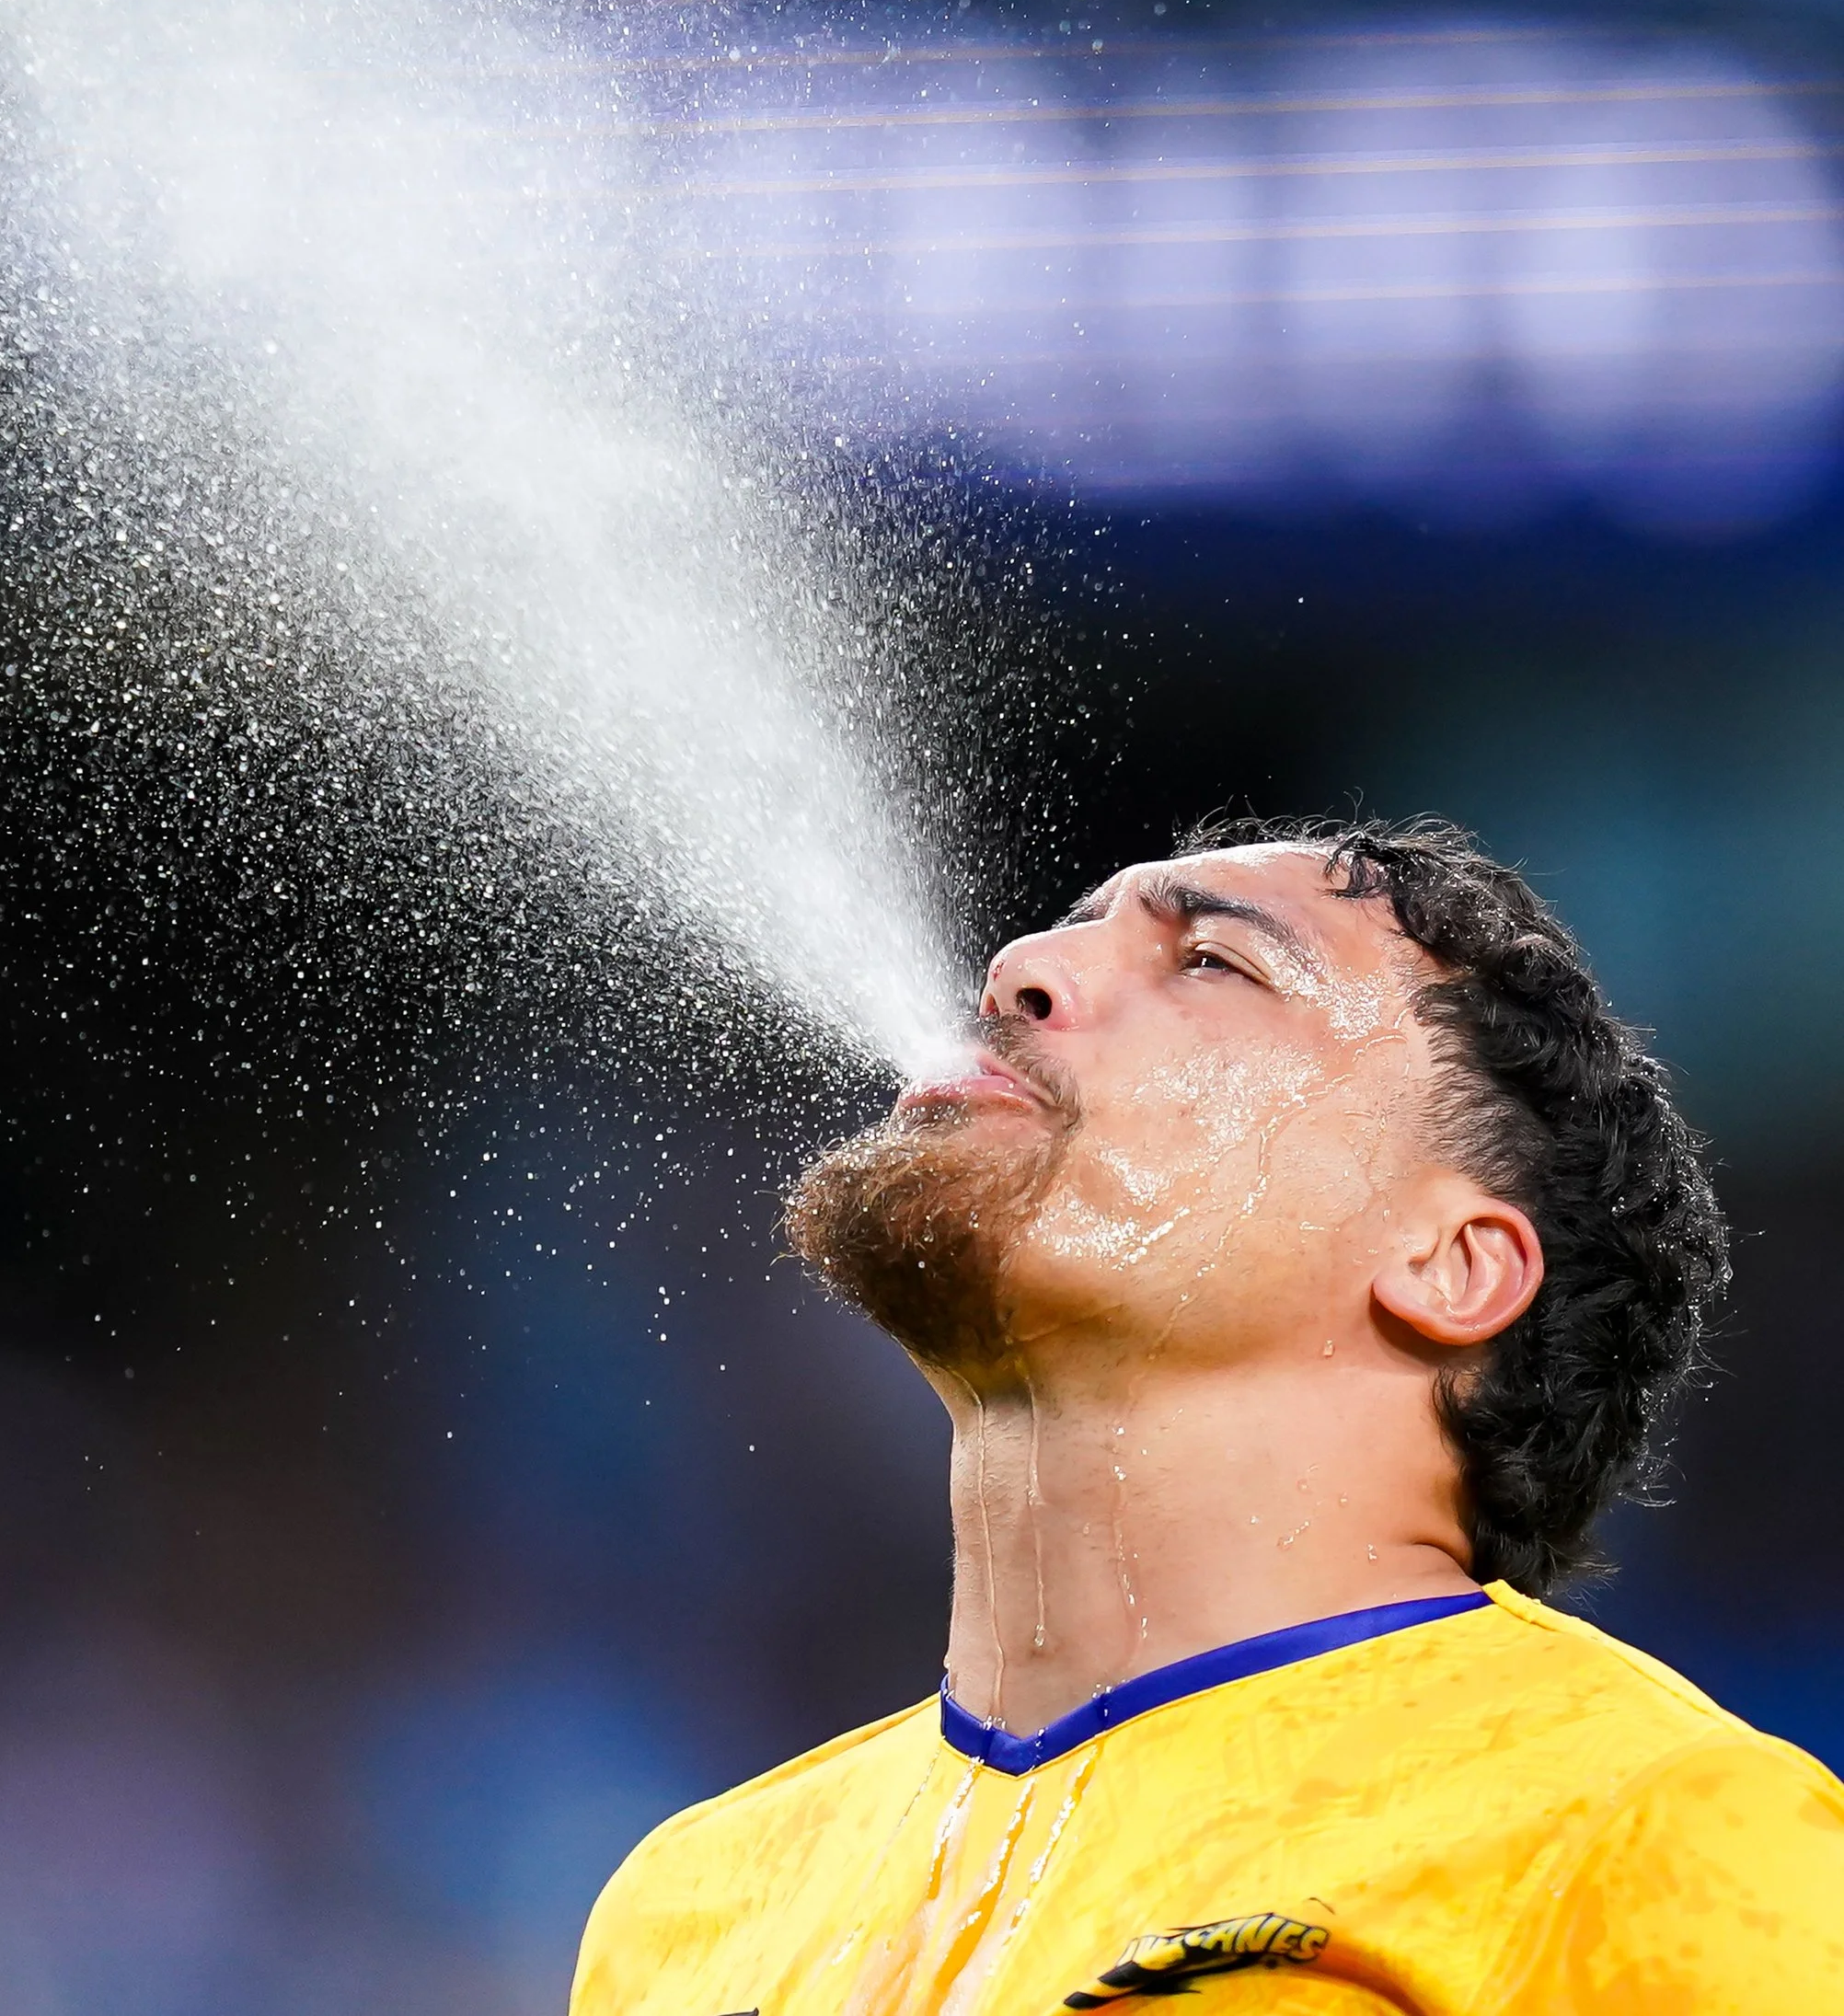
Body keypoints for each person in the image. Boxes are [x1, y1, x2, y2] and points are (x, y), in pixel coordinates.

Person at [570, 813, 1844, 2013]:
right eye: (1072, 928)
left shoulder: (1649, 1823)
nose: (1019, 967)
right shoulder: (687, 1910)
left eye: (1217, 963)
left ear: (1450, 1265)